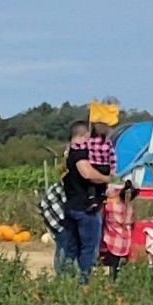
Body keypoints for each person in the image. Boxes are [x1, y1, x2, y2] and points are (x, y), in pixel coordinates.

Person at [57, 119, 114, 283]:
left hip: (71, 206)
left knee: (72, 247)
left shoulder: (68, 154)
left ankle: (66, 280)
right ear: (84, 135)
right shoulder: (80, 154)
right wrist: (106, 178)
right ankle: (84, 282)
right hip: (85, 208)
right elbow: (87, 173)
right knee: (89, 248)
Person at [100, 176, 136, 278]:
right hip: (125, 243)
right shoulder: (130, 208)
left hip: (112, 242)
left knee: (111, 267)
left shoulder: (110, 207)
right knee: (120, 269)